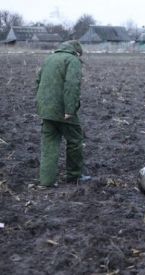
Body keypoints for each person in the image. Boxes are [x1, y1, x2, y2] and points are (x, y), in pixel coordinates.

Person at [35, 40, 91, 188]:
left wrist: (42, 106)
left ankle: (46, 181)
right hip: (62, 110)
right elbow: (72, 86)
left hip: (46, 110)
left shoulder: (49, 58)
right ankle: (74, 176)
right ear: (76, 51)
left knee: (49, 143)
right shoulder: (73, 60)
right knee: (75, 141)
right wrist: (69, 110)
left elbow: (38, 81)